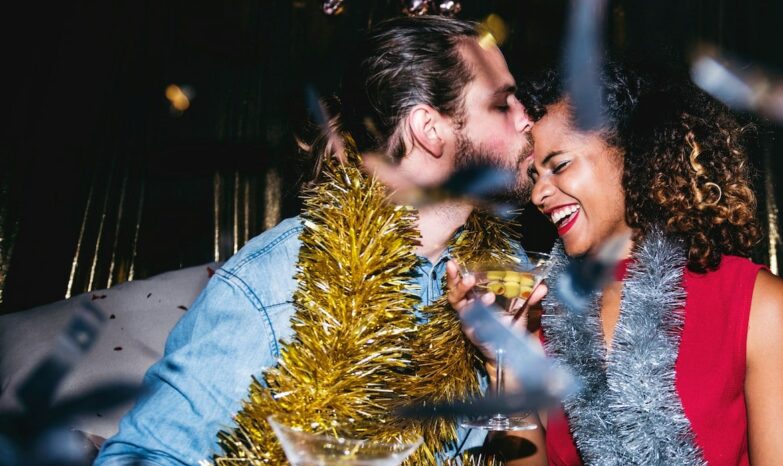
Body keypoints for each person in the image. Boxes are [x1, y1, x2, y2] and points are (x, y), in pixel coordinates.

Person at [96, 16, 537, 465]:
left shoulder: (501, 271)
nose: (526, 118)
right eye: (502, 104)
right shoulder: (280, 279)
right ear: (429, 129)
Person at [448, 64, 783, 465]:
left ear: (631, 154)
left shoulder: (761, 307)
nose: (540, 193)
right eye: (533, 175)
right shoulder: (541, 317)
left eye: (559, 166)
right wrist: (499, 362)